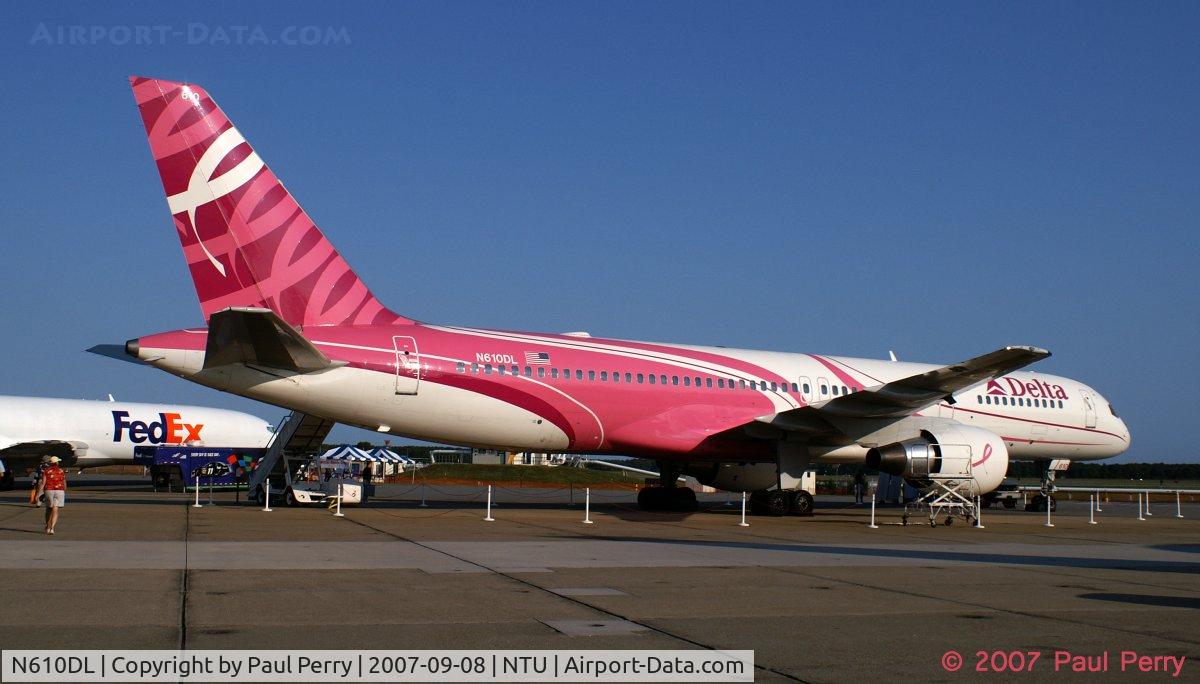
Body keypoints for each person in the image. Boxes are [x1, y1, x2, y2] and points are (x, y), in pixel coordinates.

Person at [38, 456, 67, 535]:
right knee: (55, 509)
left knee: (48, 509)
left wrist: (39, 493)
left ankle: (47, 526)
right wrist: (64, 490)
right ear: (57, 462)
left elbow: (43, 483)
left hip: (49, 490)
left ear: (50, 463)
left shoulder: (46, 471)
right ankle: (52, 528)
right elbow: (64, 482)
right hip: (59, 491)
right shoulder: (61, 471)